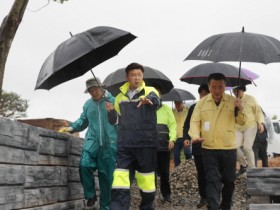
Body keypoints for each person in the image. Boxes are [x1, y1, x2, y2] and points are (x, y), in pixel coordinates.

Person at [188, 73, 246, 210]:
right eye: (214, 87)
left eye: (220, 87)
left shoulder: (233, 101)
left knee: (229, 180)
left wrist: (240, 109)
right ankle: (213, 206)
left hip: (228, 148)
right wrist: (195, 135)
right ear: (209, 86)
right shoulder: (202, 103)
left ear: (225, 86)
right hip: (209, 148)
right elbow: (195, 121)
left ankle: (226, 205)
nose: (217, 90)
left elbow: (242, 122)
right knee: (212, 179)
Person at [59, 77, 118, 210]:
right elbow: (83, 120)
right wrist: (72, 128)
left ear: (102, 87)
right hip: (92, 142)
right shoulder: (88, 105)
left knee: (106, 180)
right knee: (84, 165)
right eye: (90, 91)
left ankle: (105, 208)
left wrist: (113, 111)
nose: (93, 92)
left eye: (95, 89)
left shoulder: (114, 101)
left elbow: (120, 121)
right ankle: (90, 195)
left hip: (109, 145)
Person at [108, 63, 161, 210]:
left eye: (139, 75)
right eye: (133, 75)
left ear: (142, 76)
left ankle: (147, 207)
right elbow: (115, 121)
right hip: (125, 145)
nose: (137, 78)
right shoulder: (119, 97)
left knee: (147, 183)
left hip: (146, 144)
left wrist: (149, 100)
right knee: (120, 181)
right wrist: (111, 112)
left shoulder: (150, 91)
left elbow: (156, 101)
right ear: (127, 77)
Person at [183, 83, 209, 209]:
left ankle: (214, 196)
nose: (203, 96)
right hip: (198, 145)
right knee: (201, 173)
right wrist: (186, 138)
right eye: (201, 94)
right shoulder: (193, 107)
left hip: (214, 146)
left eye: (205, 94)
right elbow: (187, 124)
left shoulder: (215, 107)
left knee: (214, 173)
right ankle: (203, 196)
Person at [233, 86, 265, 176]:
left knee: (247, 147)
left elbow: (258, 112)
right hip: (237, 127)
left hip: (250, 125)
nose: (236, 92)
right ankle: (243, 165)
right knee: (234, 147)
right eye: (234, 90)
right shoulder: (232, 101)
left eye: (238, 90)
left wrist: (260, 122)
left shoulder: (251, 99)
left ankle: (252, 169)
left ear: (242, 89)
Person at [155, 86, 176, 203]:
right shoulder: (145, 108)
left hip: (164, 146)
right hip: (149, 147)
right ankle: (149, 196)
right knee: (149, 173)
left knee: (164, 172)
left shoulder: (166, 109)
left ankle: (166, 194)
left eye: (157, 93)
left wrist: (172, 139)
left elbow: (173, 125)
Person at [173, 101, 191, 167]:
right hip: (176, 137)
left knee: (187, 153)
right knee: (176, 155)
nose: (177, 105)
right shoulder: (172, 112)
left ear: (182, 103)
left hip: (186, 136)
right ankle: (177, 169)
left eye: (179, 103)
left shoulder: (188, 111)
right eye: (176, 103)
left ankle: (189, 168)